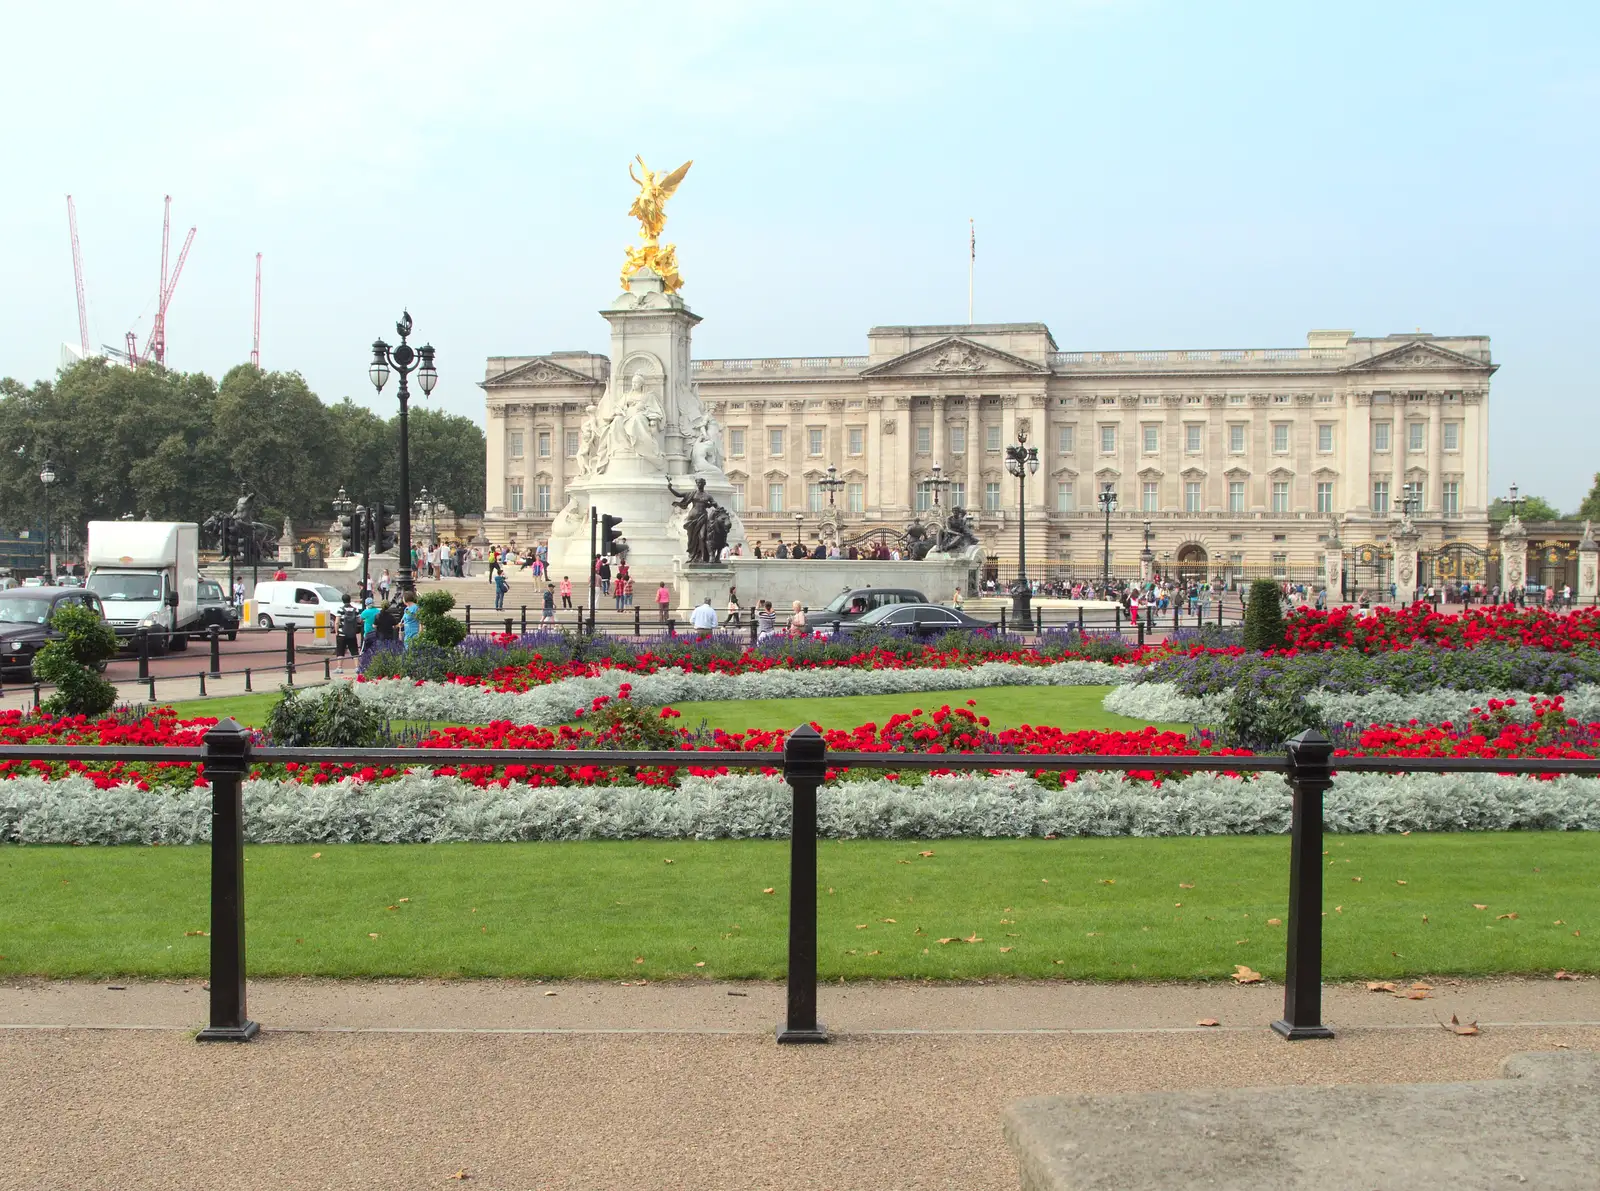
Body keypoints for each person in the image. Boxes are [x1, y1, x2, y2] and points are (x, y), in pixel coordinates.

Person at [334, 594, 361, 673]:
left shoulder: (340, 609)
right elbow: (359, 620)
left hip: (342, 633)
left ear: (343, 600)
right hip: (352, 633)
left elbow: (337, 622)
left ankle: (339, 667)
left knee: (340, 650)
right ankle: (357, 667)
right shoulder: (355, 609)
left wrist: (336, 632)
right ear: (349, 600)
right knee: (354, 650)